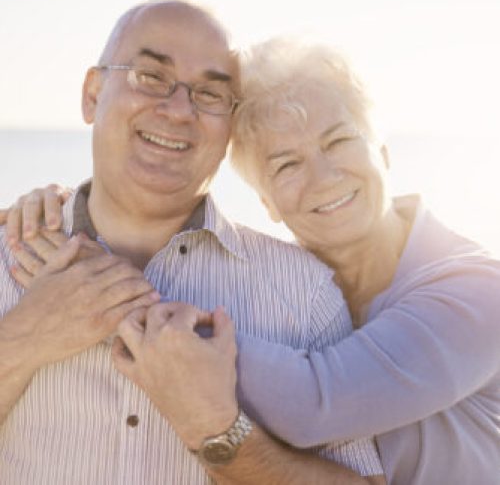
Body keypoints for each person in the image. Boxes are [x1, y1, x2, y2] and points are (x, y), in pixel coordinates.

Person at [9, 36, 500, 484]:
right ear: (265, 202)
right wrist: (69, 210)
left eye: (339, 141)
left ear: (386, 154)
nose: (325, 176)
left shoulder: (478, 291)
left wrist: (98, 290)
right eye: (286, 164)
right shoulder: (302, 290)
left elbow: (315, 404)